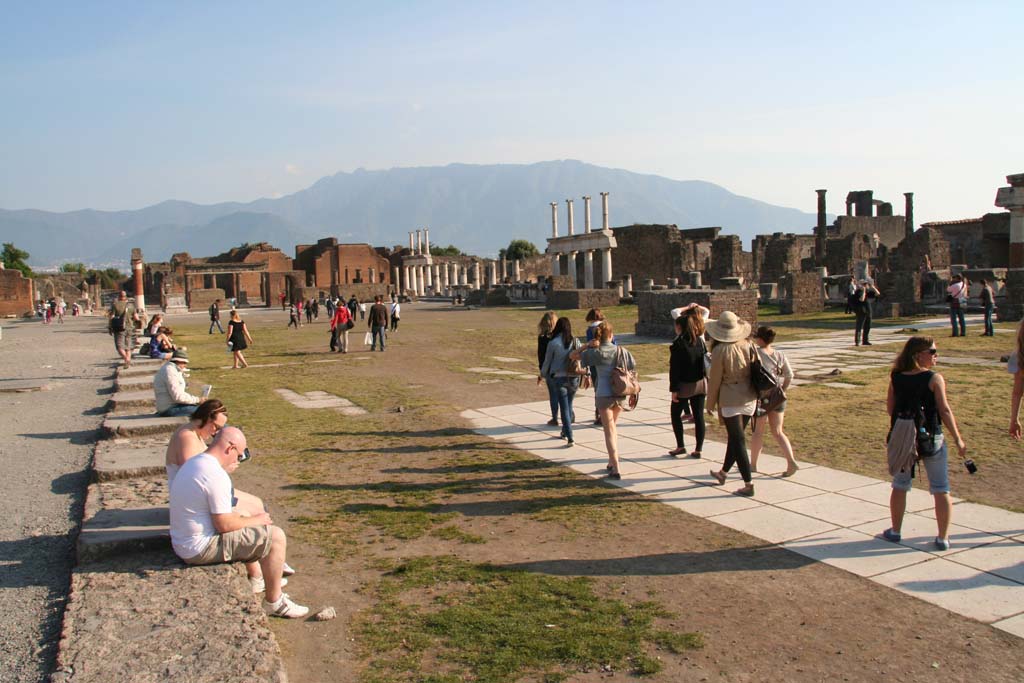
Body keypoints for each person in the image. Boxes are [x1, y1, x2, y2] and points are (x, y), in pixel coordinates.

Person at [169, 427, 308, 618]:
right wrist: (256, 520)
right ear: (230, 448)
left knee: (245, 515)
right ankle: (275, 602)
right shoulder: (215, 475)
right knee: (275, 537)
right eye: (239, 455)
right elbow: (224, 524)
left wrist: (247, 519)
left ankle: (262, 576)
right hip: (198, 548)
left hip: (184, 540)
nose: (238, 461)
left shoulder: (197, 462)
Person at [882, 337, 967, 551]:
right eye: (933, 351)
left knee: (900, 485)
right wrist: (957, 438)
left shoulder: (897, 376)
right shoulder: (934, 379)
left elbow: (890, 407)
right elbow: (944, 410)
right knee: (940, 487)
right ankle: (943, 537)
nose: (936, 355)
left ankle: (895, 530)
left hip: (904, 437)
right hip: (931, 436)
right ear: (918, 354)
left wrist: (904, 426)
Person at [571, 321, 636, 480]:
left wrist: (586, 345)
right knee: (613, 427)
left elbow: (572, 356)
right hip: (619, 393)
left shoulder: (596, 352)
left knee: (609, 430)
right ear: (611, 335)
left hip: (603, 394)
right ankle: (611, 461)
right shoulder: (622, 351)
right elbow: (633, 367)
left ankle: (616, 466)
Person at [706, 311, 757, 497]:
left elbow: (715, 380)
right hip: (749, 395)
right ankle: (724, 472)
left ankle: (748, 483)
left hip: (731, 397)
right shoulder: (748, 345)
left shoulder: (720, 351)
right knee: (736, 438)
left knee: (738, 440)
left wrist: (710, 403)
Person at [748, 326, 798, 476]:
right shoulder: (779, 354)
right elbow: (789, 375)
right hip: (777, 395)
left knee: (758, 432)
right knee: (778, 431)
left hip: (762, 396)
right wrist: (783, 389)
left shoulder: (755, 354)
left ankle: (753, 464)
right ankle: (791, 461)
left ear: (760, 339)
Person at [668, 306, 708, 459]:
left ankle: (680, 445)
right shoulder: (700, 341)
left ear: (679, 327)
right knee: (699, 416)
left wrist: (674, 389)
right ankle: (698, 448)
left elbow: (675, 369)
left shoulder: (679, 344)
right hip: (700, 383)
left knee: (675, 414)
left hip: (684, 384)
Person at [540, 317, 581, 446]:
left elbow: (547, 361)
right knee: (569, 405)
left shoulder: (553, 343)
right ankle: (565, 431)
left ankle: (570, 436)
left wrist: (542, 374)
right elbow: (582, 358)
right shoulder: (576, 341)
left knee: (564, 408)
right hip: (574, 377)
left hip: (559, 377)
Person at [153, 349, 202, 417]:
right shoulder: (170, 372)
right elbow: (178, 397)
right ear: (179, 361)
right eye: (184, 363)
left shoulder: (170, 369)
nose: (185, 365)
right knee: (206, 411)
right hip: (169, 409)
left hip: (171, 406)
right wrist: (198, 400)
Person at [535, 311, 560, 426]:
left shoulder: (542, 338)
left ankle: (555, 417)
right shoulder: (560, 336)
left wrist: (542, 372)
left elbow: (541, 356)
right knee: (564, 394)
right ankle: (569, 413)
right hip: (562, 368)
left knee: (553, 394)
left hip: (550, 369)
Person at [584, 309, 607, 425]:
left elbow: (589, 347)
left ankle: (599, 412)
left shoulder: (590, 330)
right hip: (607, 360)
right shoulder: (606, 327)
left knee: (597, 388)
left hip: (594, 362)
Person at [108, 290, 138, 368]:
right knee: (128, 346)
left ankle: (127, 359)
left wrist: (110, 326)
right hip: (130, 327)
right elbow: (136, 318)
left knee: (119, 346)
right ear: (126, 296)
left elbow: (111, 316)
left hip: (119, 328)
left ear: (119, 296)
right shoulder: (131, 305)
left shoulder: (115, 305)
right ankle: (128, 360)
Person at [1008, 320, 1024, 439]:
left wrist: (1014, 419)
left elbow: (1017, 393)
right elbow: (1017, 393)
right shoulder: (1019, 357)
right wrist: (1014, 420)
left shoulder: (1019, 357)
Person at [853, 280, 879, 346]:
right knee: (859, 327)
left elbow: (877, 294)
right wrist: (863, 290)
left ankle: (865, 341)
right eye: (864, 284)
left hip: (868, 311)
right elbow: (862, 299)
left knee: (868, 326)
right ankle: (857, 341)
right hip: (861, 312)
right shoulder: (858, 292)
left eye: (866, 284)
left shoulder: (867, 292)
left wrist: (873, 287)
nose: (865, 285)